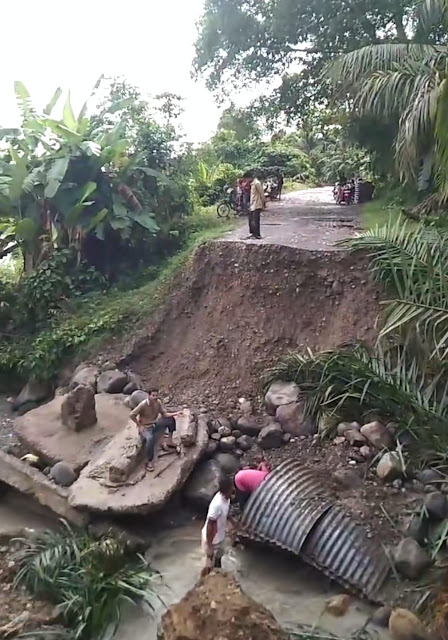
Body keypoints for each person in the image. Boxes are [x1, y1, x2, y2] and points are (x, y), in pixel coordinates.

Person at [130, 388, 183, 472]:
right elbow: (132, 415)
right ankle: (150, 461)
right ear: (149, 395)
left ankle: (169, 441)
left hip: (155, 423)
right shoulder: (143, 405)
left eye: (156, 395)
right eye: (153, 395)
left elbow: (164, 414)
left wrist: (176, 413)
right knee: (150, 439)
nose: (155, 397)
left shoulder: (158, 403)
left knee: (170, 420)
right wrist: (139, 425)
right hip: (146, 427)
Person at [201, 475, 233, 575]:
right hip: (212, 538)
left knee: (220, 555)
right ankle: (204, 580)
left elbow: (227, 511)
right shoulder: (217, 505)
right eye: (231, 487)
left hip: (220, 535)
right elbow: (210, 525)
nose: (233, 488)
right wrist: (209, 545)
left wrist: (232, 522)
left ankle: (218, 571)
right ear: (225, 490)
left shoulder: (227, 498)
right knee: (208, 565)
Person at [248, 171, 265, 239]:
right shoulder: (252, 184)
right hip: (252, 204)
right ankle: (253, 233)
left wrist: (263, 203)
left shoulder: (257, 183)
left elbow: (261, 193)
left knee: (256, 220)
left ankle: (257, 234)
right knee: (251, 220)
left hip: (257, 204)